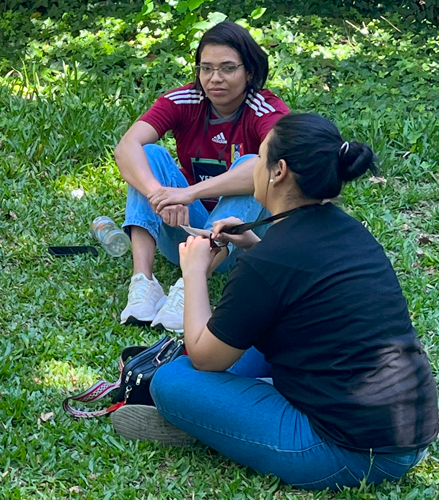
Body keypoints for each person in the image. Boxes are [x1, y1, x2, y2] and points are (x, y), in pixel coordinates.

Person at [110, 113, 439, 490]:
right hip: (410, 431)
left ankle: (209, 425)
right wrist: (253, 245)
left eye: (260, 157)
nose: (254, 168)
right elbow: (298, 288)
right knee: (233, 348)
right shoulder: (346, 229)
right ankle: (224, 419)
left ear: (278, 171)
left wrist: (195, 272)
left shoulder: (271, 262)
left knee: (173, 380)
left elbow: (204, 356)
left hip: (349, 452)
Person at [114, 21, 289, 332]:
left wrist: (189, 193)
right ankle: (143, 282)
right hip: (183, 233)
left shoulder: (265, 109)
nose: (214, 78)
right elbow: (126, 146)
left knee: (252, 163)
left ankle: (188, 288)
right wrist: (159, 193)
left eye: (227, 68)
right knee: (149, 154)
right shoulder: (184, 101)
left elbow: (271, 165)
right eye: (206, 68)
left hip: (240, 243)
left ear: (249, 72)